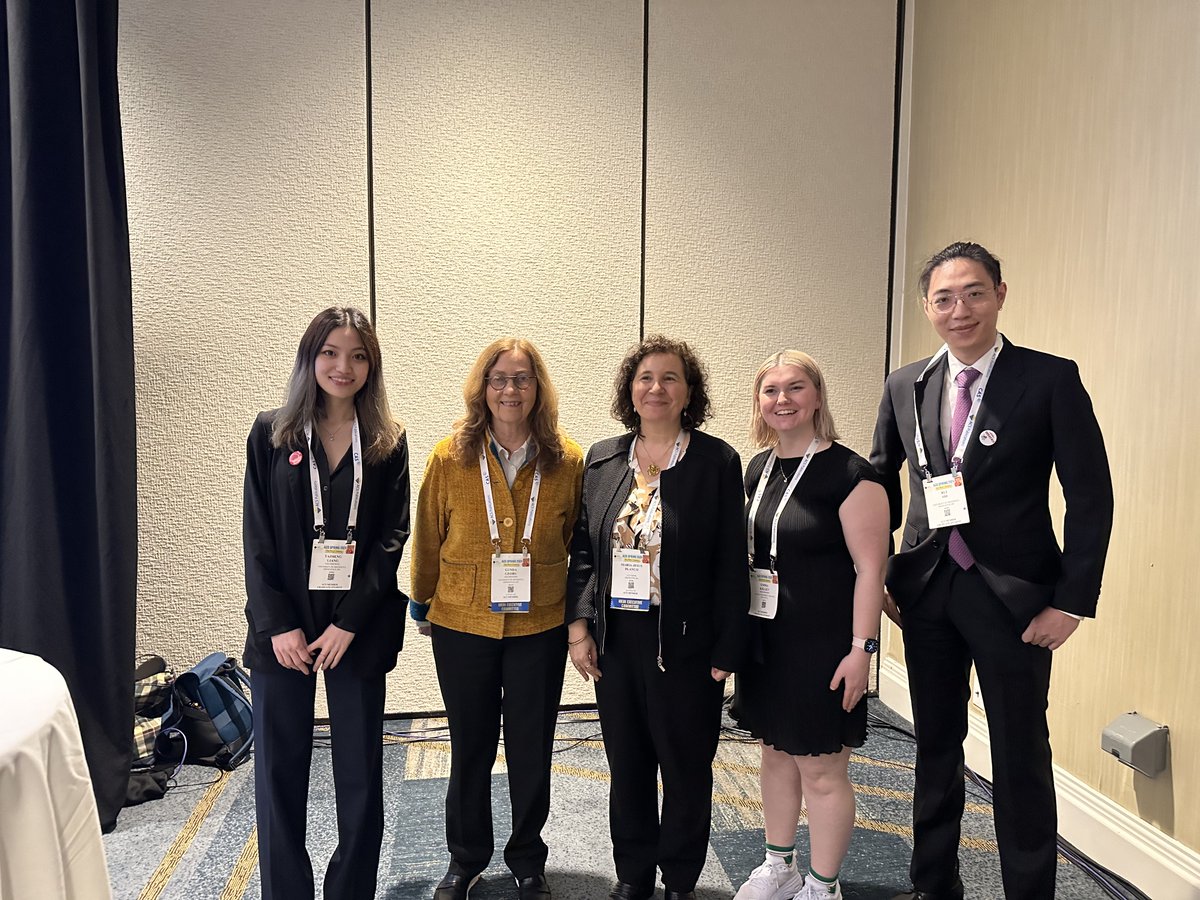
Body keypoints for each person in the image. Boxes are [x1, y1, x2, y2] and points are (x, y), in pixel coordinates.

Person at [870, 242, 1114, 900]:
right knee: (935, 746)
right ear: (927, 306)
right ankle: (932, 884)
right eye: (945, 298)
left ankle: (1028, 892)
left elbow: (1090, 496)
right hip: (926, 594)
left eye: (975, 292)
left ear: (1001, 294)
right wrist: (879, 572)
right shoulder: (904, 383)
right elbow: (880, 485)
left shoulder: (1049, 379)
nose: (960, 309)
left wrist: (1072, 601)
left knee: (1019, 754)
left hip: (1017, 601)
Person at [566, 335, 749, 900]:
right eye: (645, 377)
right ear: (630, 389)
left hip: (688, 642)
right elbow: (583, 553)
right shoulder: (603, 459)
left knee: (687, 765)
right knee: (628, 763)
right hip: (618, 636)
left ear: (689, 391)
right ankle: (633, 873)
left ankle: (681, 878)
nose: (656, 388)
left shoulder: (715, 461)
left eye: (670, 378)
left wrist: (728, 649)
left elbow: (729, 562)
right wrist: (579, 628)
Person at [242, 306, 411, 900]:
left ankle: (349, 891)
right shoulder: (272, 433)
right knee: (279, 772)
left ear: (373, 365)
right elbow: (257, 536)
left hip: (356, 627)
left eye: (359, 355)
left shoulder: (388, 442)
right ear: (310, 358)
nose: (344, 367)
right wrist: (278, 625)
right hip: (283, 628)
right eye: (331, 353)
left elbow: (391, 539)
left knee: (359, 775)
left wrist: (349, 623)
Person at [410, 338, 583, 900]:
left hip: (540, 625)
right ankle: (466, 858)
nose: (511, 390)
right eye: (500, 379)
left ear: (539, 388)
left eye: (524, 378)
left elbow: (575, 542)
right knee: (471, 745)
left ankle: (528, 860)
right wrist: (422, 599)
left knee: (531, 745)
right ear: (482, 388)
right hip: (461, 622)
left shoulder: (568, 459)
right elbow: (429, 536)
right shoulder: (448, 456)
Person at [731, 351, 889, 900]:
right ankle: (780, 866)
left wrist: (861, 650)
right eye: (770, 390)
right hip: (767, 638)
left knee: (822, 771)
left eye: (795, 388)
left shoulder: (850, 475)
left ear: (818, 396)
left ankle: (824, 885)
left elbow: (871, 569)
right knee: (775, 754)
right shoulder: (759, 467)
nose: (782, 400)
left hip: (824, 644)